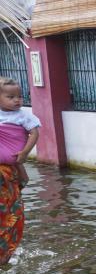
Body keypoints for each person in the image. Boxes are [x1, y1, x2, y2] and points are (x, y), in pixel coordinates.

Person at [0, 77, 40, 264]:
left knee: (12, 211)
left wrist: (24, 153)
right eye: (11, 97)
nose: (17, 100)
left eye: (19, 96)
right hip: (8, 169)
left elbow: (34, 133)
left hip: (12, 165)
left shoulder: (23, 116)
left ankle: (5, 253)